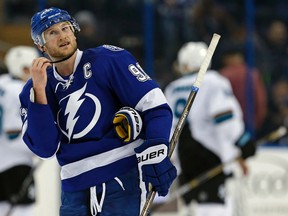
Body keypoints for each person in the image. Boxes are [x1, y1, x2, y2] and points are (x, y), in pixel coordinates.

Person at [19, 7, 177, 216]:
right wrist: (39, 93)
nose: (62, 36)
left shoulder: (108, 59)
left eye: (65, 28)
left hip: (121, 177)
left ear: (74, 31)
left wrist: (156, 149)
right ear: (41, 45)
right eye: (52, 33)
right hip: (73, 189)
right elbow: (45, 148)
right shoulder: (34, 89)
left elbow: (154, 106)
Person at [164, 41, 254, 216]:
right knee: (216, 209)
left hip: (184, 159)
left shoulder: (172, 89)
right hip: (209, 155)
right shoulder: (213, 81)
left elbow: (168, 128)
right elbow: (225, 119)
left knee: (194, 209)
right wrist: (243, 142)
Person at [0, 46, 39, 216]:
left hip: (4, 162)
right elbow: (14, 133)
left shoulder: (2, 83)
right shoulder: (20, 92)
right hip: (15, 165)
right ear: (24, 68)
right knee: (23, 212)